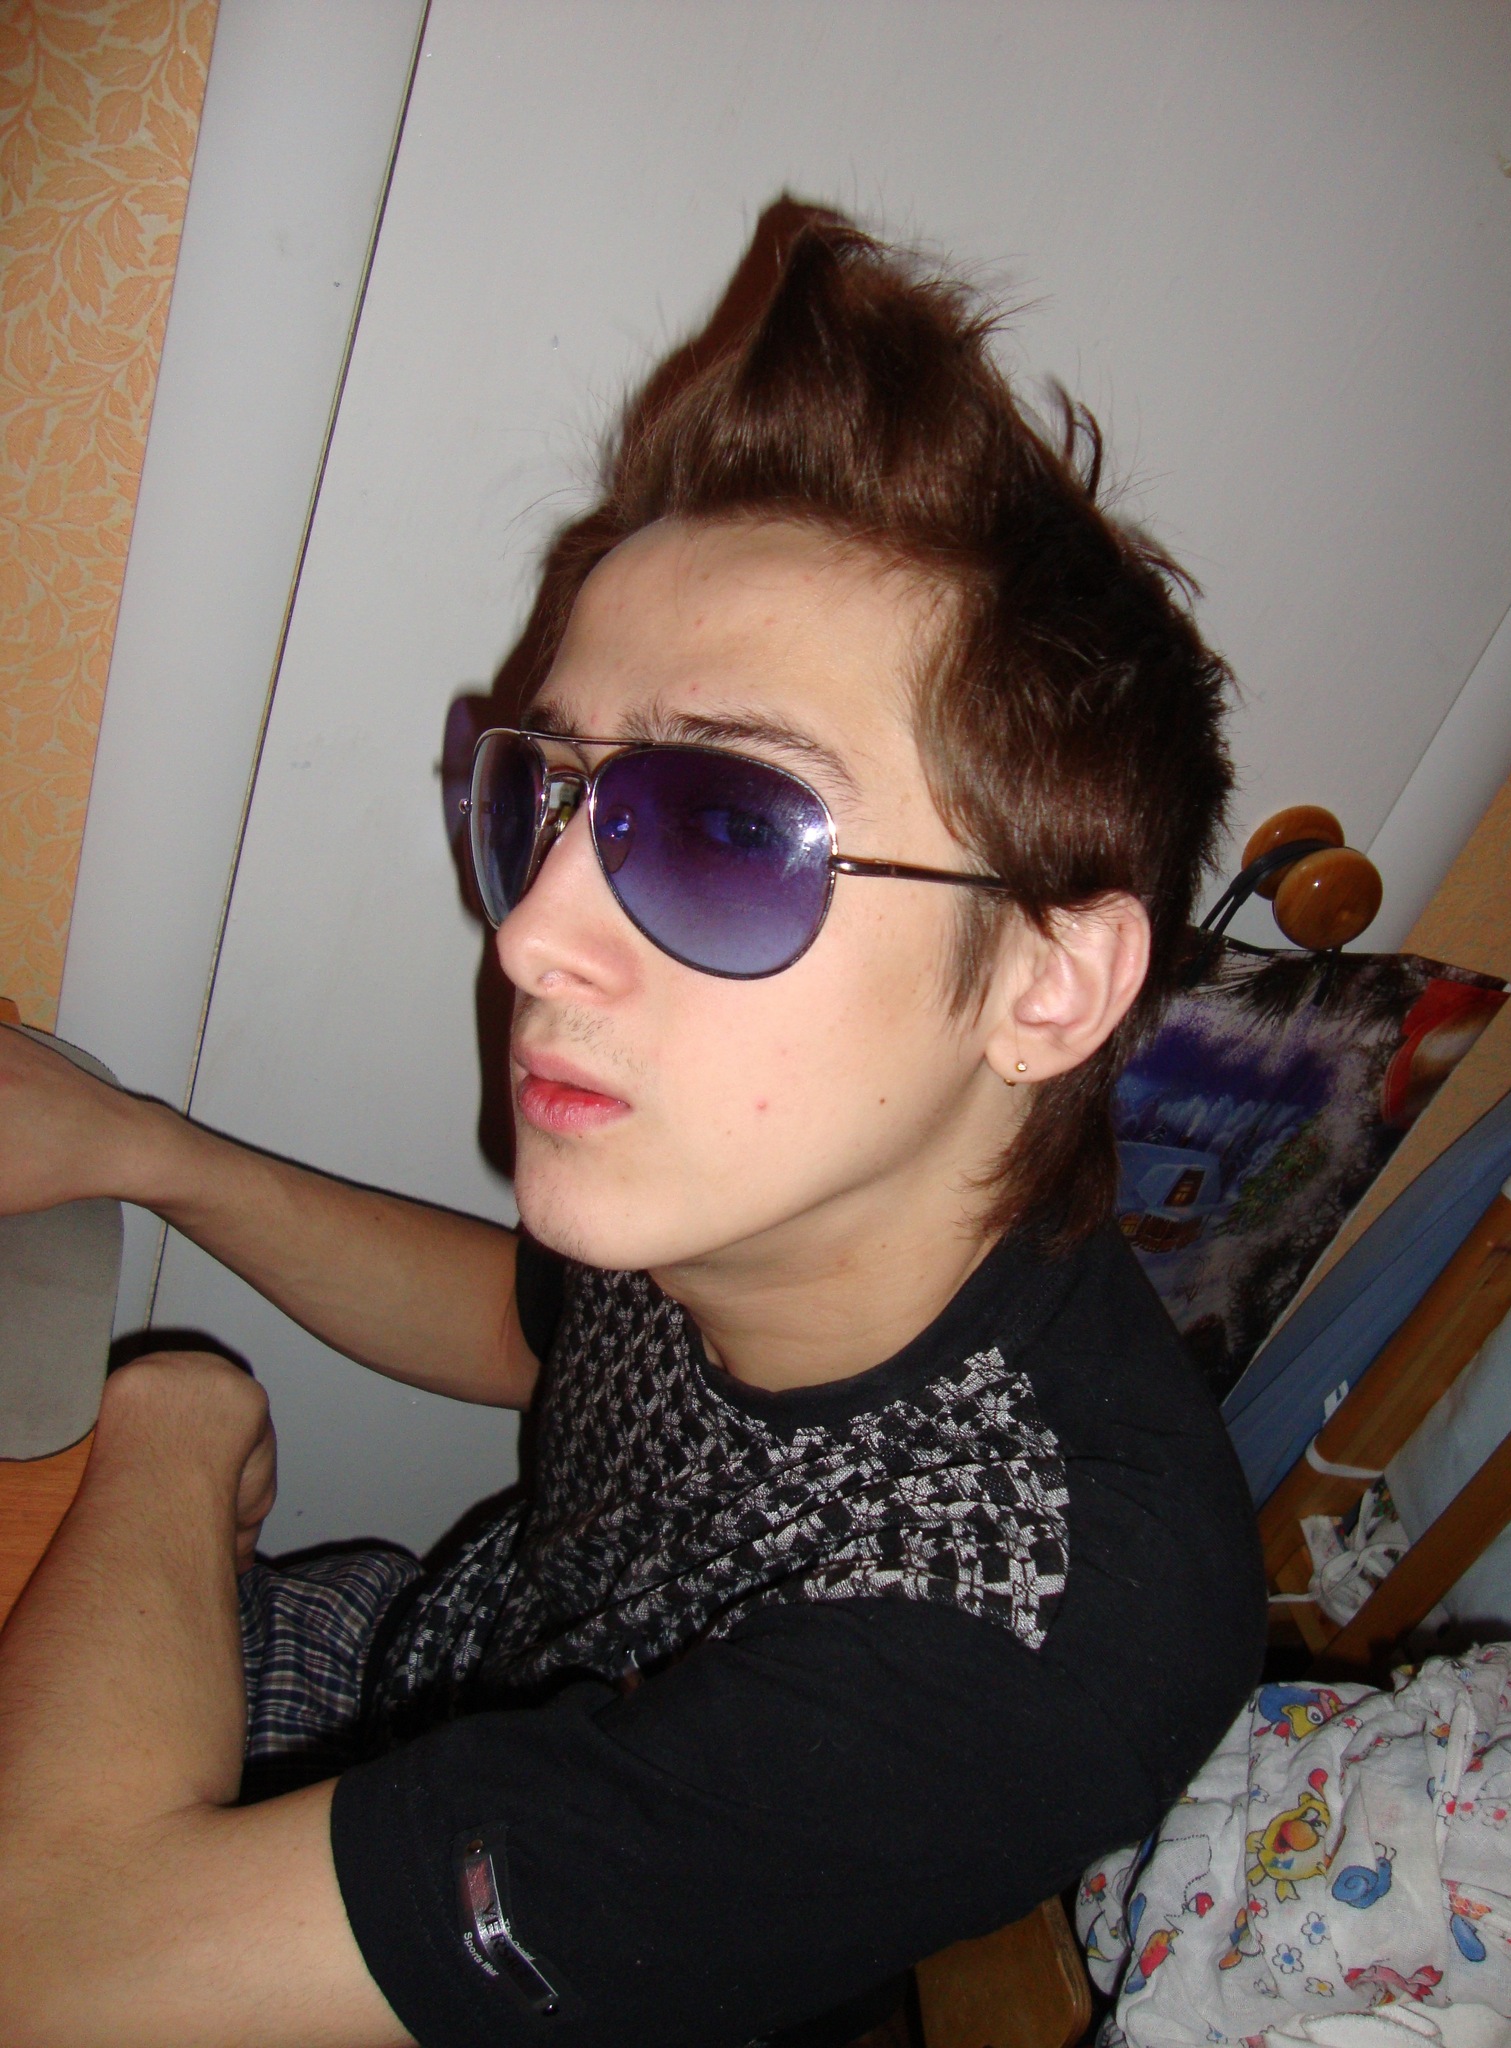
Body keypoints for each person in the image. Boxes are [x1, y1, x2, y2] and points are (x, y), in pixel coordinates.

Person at [0, 212, 1264, 2048]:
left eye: (731, 832)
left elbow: (50, 1969)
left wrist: (179, 1420)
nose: (529, 934)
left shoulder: (1022, 1649)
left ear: (1048, 984)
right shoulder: (779, 1188)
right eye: (549, 794)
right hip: (400, 1668)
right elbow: (532, 1334)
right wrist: (145, 1151)